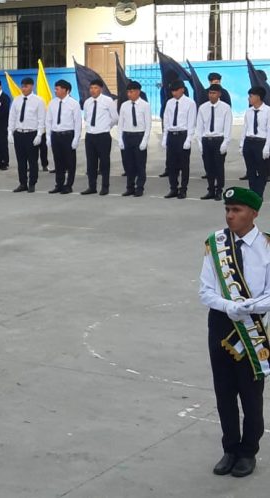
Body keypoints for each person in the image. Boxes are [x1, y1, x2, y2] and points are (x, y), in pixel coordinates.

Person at [197, 186, 268, 478]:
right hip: (221, 324)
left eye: (236, 210)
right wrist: (230, 306)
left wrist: (248, 307)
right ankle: (229, 448)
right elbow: (206, 290)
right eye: (227, 210)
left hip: (253, 327)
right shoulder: (215, 244)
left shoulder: (267, 247)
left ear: (253, 213)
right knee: (224, 392)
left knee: (251, 395)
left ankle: (248, 451)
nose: (230, 216)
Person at [8, 77, 46, 193]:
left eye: (26, 86)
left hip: (31, 133)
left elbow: (41, 119)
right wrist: (10, 132)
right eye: (22, 86)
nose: (23, 89)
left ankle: (32, 183)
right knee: (21, 161)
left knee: (32, 160)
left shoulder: (38, 100)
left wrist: (39, 134)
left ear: (31, 86)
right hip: (19, 133)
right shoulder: (16, 100)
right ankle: (22, 183)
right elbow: (12, 117)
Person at [82, 79, 119, 195]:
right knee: (91, 163)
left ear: (101, 89)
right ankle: (92, 186)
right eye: (91, 88)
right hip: (90, 136)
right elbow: (86, 117)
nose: (93, 90)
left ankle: (105, 186)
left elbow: (115, 118)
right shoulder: (87, 102)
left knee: (104, 162)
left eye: (95, 88)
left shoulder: (108, 101)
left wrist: (106, 126)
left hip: (103, 135)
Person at [196, 84, 233, 201]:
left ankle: (219, 190)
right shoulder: (203, 108)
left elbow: (228, 126)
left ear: (219, 94)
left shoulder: (225, 108)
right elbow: (199, 126)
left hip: (218, 140)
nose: (211, 95)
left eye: (214, 93)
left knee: (219, 167)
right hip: (207, 140)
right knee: (208, 167)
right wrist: (199, 142)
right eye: (210, 93)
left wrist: (225, 142)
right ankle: (211, 189)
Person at [162, 80, 197, 199]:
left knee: (184, 164)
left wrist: (189, 139)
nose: (174, 93)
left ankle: (183, 189)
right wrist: (165, 137)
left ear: (182, 89)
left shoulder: (190, 103)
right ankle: (173, 188)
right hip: (172, 135)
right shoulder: (169, 103)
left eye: (176, 90)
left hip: (183, 135)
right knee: (171, 164)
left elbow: (191, 122)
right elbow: (166, 120)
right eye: (172, 91)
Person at [45, 79, 81, 194]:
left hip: (68, 135)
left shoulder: (73, 104)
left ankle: (69, 185)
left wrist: (76, 138)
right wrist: (48, 136)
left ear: (66, 90)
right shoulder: (52, 103)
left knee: (70, 162)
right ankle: (59, 184)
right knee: (58, 161)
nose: (55, 91)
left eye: (57, 89)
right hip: (56, 135)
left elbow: (77, 122)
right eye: (55, 89)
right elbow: (48, 120)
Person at [117, 80, 151, 197]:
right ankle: (130, 187)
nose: (129, 94)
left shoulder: (145, 105)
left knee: (140, 164)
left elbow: (148, 124)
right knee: (129, 164)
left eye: (132, 92)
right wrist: (120, 139)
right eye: (128, 92)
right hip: (127, 136)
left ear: (138, 92)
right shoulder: (124, 105)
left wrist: (145, 140)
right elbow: (120, 123)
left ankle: (140, 187)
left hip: (139, 136)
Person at [240, 87, 270, 199]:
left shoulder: (268, 111)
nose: (249, 98)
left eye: (251, 96)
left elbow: (269, 130)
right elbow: (245, 128)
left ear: (258, 97)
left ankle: (259, 193)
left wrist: (267, 147)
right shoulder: (248, 111)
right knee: (250, 170)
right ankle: (252, 193)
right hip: (249, 141)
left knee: (262, 171)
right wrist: (242, 145)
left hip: (261, 142)